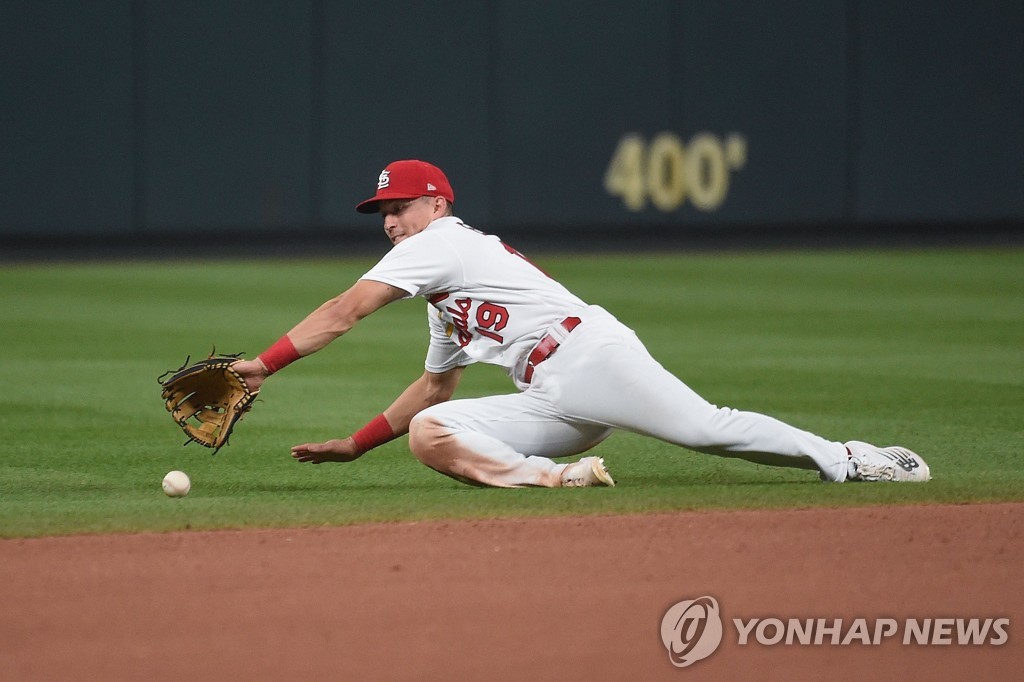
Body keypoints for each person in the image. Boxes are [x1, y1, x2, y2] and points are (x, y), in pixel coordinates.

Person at [230, 160, 931, 488]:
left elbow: (343, 312)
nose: (389, 220)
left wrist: (264, 363)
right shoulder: (442, 289)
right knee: (431, 433)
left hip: (589, 357)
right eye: (382, 211)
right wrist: (356, 445)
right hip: (549, 398)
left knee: (709, 430)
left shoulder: (442, 244)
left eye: (402, 206)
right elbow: (435, 388)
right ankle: (554, 479)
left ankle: (849, 458)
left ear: (438, 206)